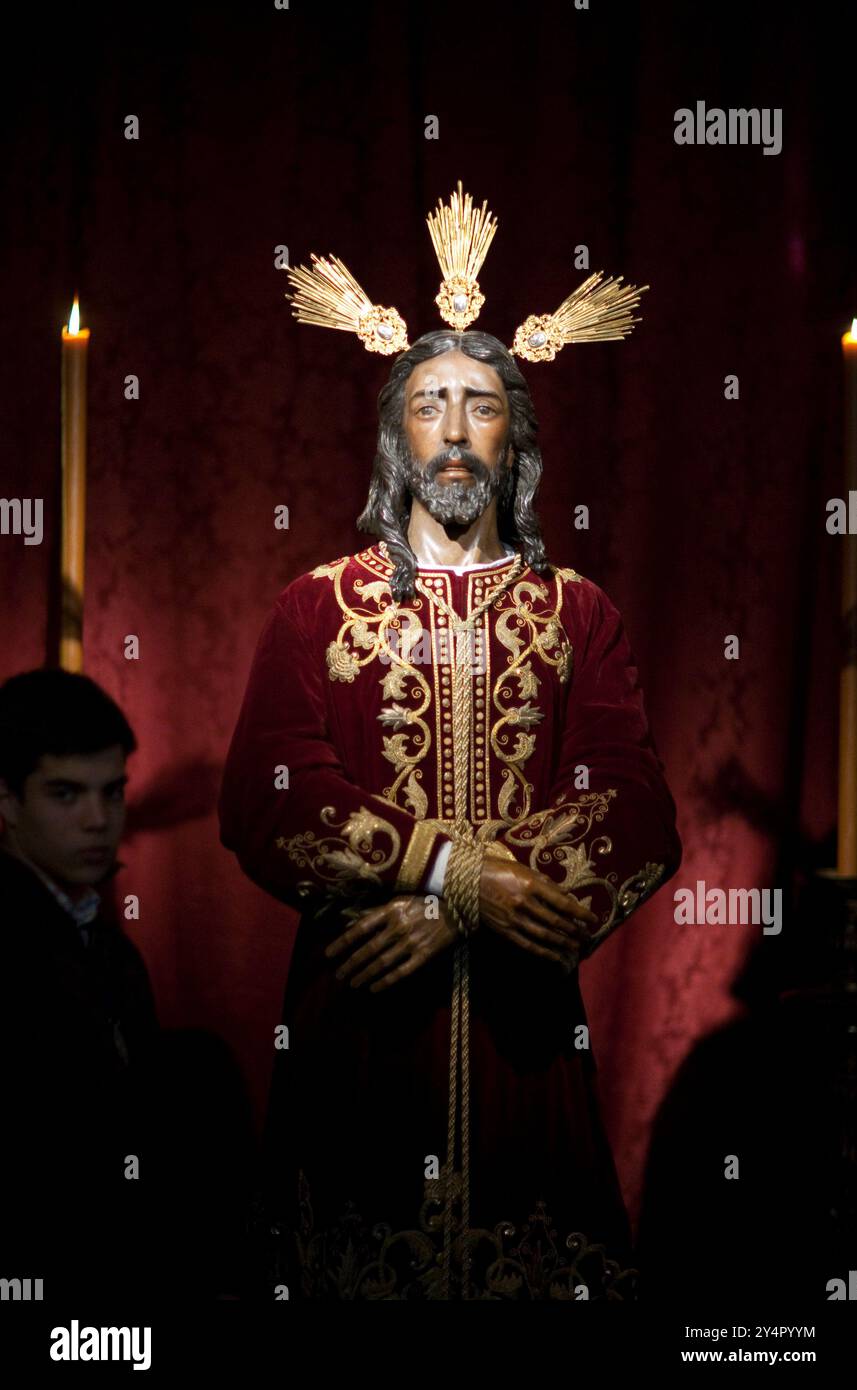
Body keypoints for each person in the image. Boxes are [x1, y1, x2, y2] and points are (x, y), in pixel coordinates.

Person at [219, 327, 683, 1301]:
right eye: (429, 405)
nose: (456, 431)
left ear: (514, 442)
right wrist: (448, 867)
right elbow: (270, 794)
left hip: (522, 1027)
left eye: (481, 405)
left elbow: (630, 806)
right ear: (396, 440)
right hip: (360, 1022)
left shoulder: (576, 614)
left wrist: (454, 903)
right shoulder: (316, 610)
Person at [0, 669, 158, 1299]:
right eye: (65, 795)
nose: (98, 820)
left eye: (112, 793)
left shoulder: (108, 946)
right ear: (7, 801)